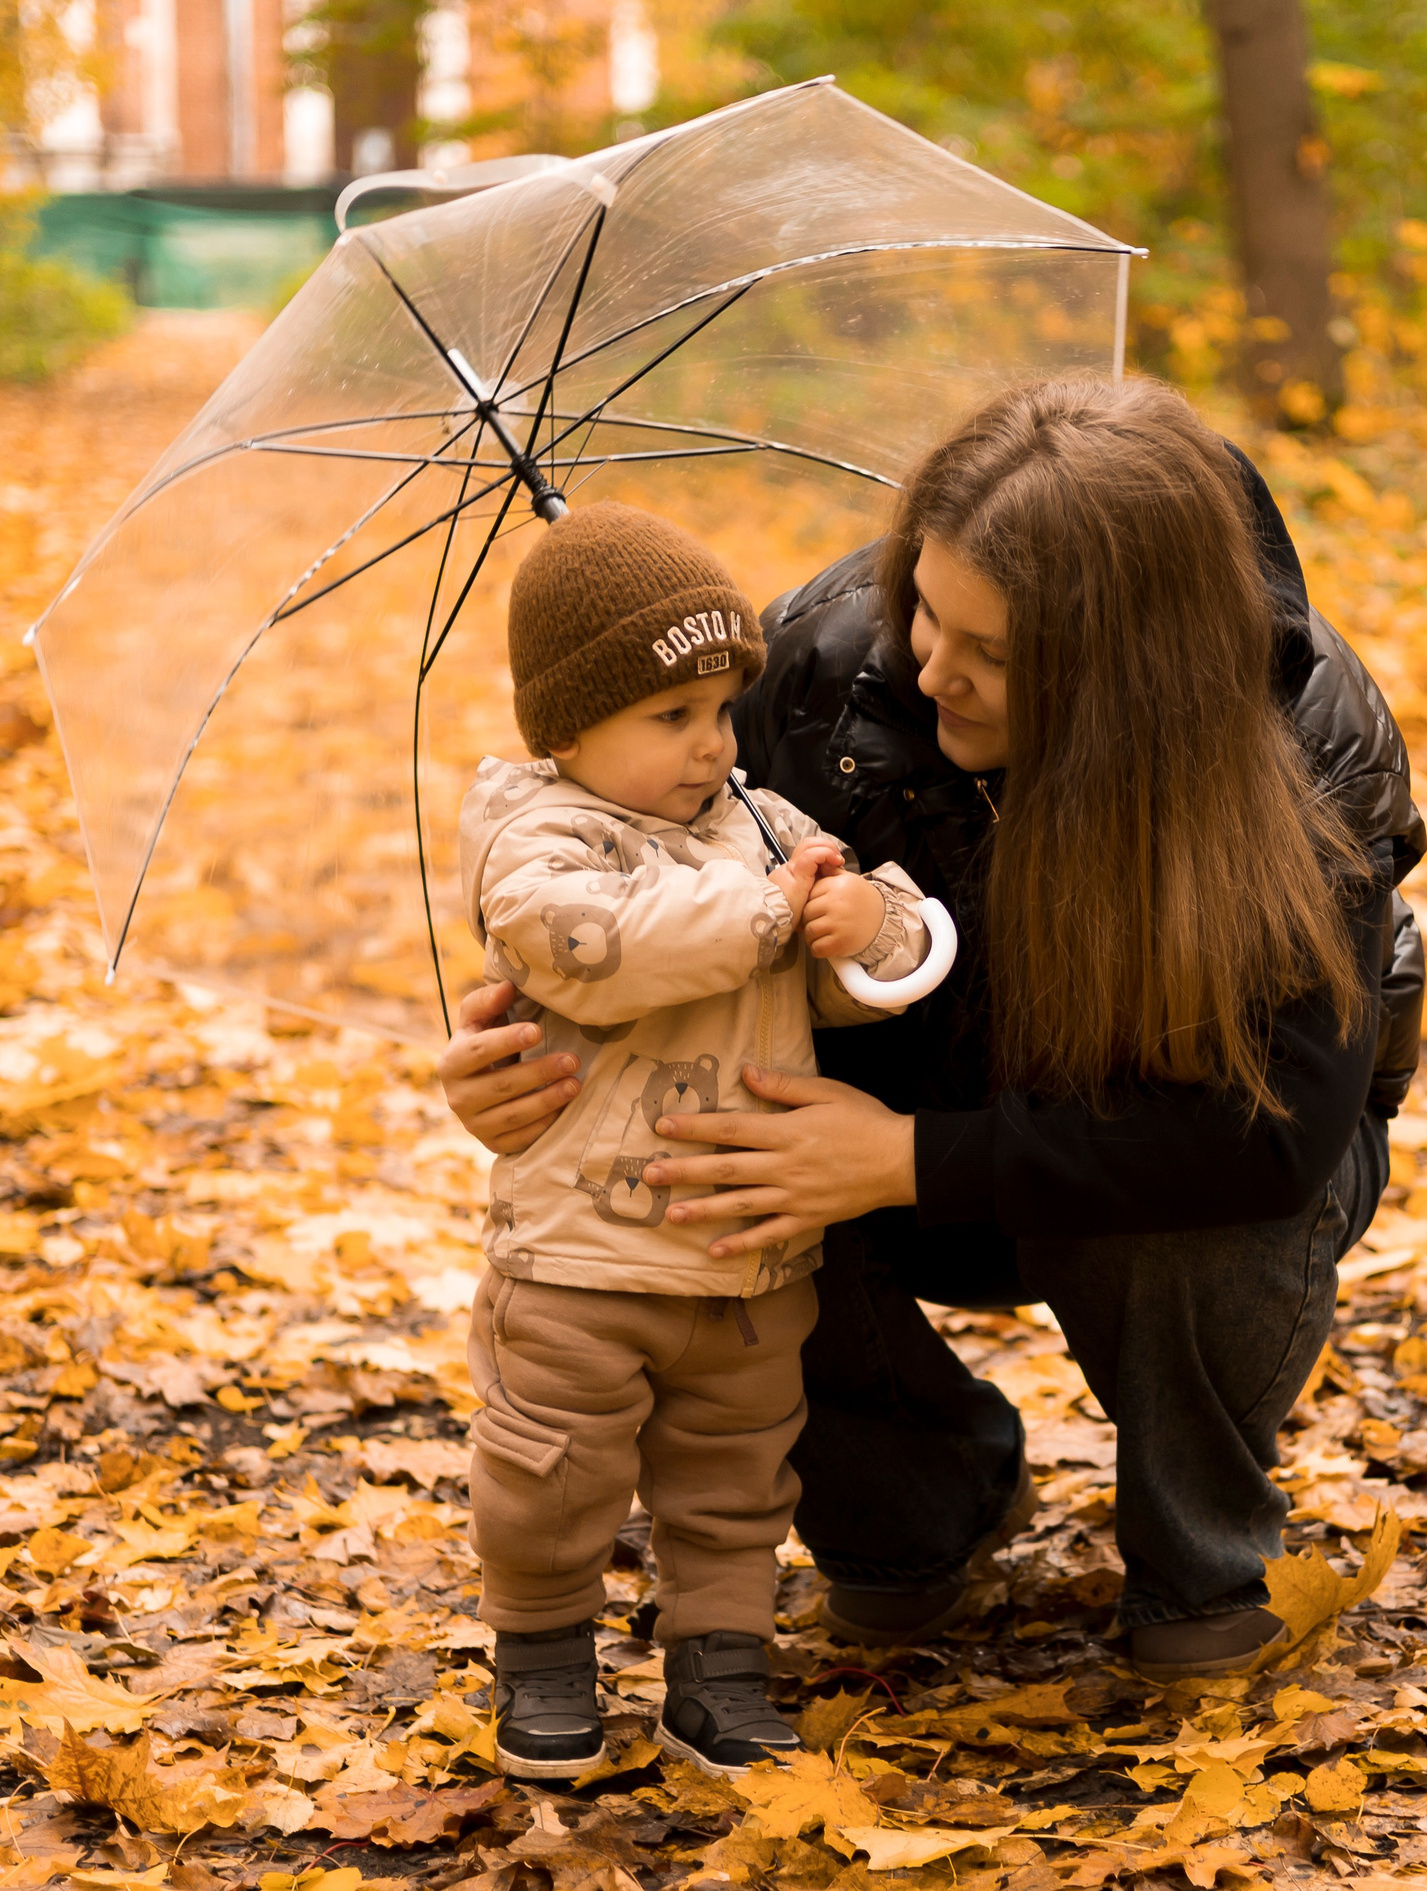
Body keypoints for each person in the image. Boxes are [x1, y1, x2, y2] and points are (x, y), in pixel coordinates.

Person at [440, 377, 1426, 1682]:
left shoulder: (1307, 748)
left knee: (1209, 1218)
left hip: (1192, 1162)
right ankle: (913, 1503)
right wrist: (525, 1063)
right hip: (895, 1098)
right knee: (699, 1146)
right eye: (923, 606)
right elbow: (643, 918)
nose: (928, 663)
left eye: (997, 653)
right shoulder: (814, 678)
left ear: (1129, 674)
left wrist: (904, 1157)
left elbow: (1276, 1133)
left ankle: (1199, 1545)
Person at [456, 501, 936, 1779]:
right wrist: (768, 910)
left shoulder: (759, 823)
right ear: (565, 727)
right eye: (669, 718)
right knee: (550, 1471)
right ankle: (545, 1650)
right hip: (577, 1257)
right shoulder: (538, 837)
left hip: (742, 1247)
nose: (710, 745)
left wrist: (862, 929)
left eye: (723, 710)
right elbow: (601, 951)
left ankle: (720, 1668)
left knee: (736, 1481)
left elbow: (881, 960)